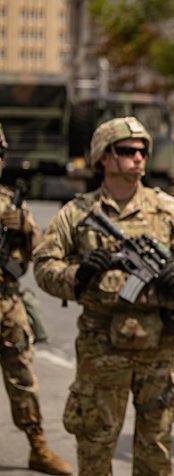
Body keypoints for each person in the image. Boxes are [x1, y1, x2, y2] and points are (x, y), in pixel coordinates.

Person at [32, 117, 174, 475]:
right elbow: (43, 266)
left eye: (142, 150)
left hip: (159, 346)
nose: (139, 157)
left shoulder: (167, 208)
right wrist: (78, 274)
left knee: (155, 451)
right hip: (102, 348)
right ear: (103, 157)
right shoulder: (79, 213)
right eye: (127, 151)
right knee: (95, 447)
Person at [0, 123, 73, 475]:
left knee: (24, 379)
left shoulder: (11, 201)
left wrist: (25, 228)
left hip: (7, 303)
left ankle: (38, 446)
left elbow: (41, 253)